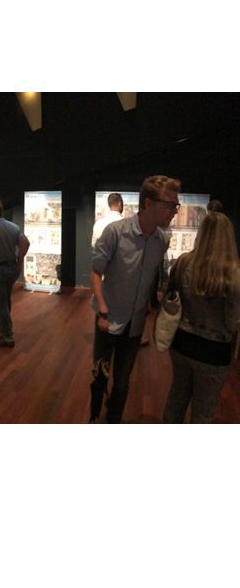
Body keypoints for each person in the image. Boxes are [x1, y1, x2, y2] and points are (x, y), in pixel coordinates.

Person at [89, 175, 181, 423]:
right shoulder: (116, 232)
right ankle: (94, 417)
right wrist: (103, 310)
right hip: (108, 319)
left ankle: (113, 421)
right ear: (148, 203)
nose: (174, 210)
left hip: (135, 324)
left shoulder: (162, 240)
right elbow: (96, 272)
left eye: (176, 205)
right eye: (169, 204)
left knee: (122, 382)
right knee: (99, 376)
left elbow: (150, 279)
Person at [161, 211, 240, 423]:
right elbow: (233, 323)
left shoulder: (183, 262)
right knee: (203, 411)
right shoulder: (233, 273)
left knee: (176, 399)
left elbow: (170, 299)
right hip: (214, 350)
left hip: (181, 341)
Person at [0, 199, 31, 348]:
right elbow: (25, 243)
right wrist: (19, 261)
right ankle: (3, 329)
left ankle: (8, 336)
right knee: (6, 299)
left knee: (1, 304)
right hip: (11, 269)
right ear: (2, 211)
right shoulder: (13, 227)